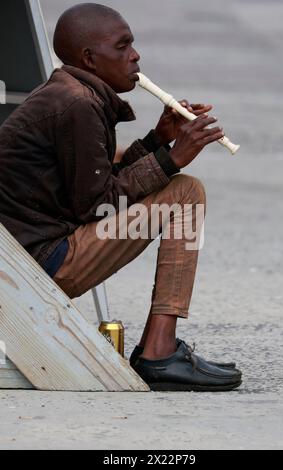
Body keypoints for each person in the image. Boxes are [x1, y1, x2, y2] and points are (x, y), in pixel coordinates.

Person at [0, 3, 242, 391]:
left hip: (34, 255)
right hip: (42, 265)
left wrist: (158, 140)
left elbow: (92, 184)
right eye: (122, 46)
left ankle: (157, 347)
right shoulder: (76, 105)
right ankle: (159, 352)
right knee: (186, 193)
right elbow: (96, 205)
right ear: (90, 58)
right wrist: (172, 157)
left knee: (181, 188)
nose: (135, 55)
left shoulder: (68, 93)